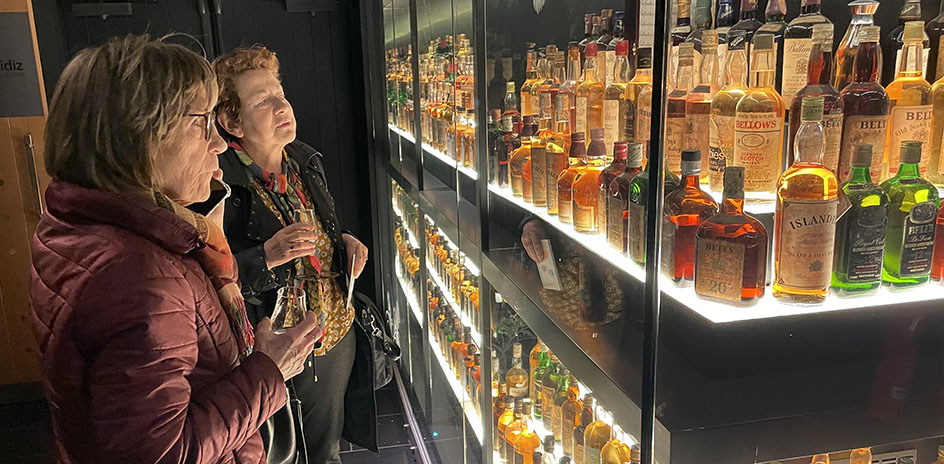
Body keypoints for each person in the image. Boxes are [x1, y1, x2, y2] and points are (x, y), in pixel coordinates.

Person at [29, 35, 322, 463]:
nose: (218, 143)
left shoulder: (76, 222)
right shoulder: (137, 276)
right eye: (202, 123)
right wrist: (268, 372)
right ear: (141, 136)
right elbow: (163, 453)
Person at [212, 45, 375, 463]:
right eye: (262, 100)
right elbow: (210, 277)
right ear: (232, 121)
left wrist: (344, 243)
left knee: (325, 450)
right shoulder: (220, 181)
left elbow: (320, 229)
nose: (281, 104)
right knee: (273, 451)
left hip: (333, 332)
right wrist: (265, 256)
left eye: (279, 92)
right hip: (268, 345)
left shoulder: (303, 161)